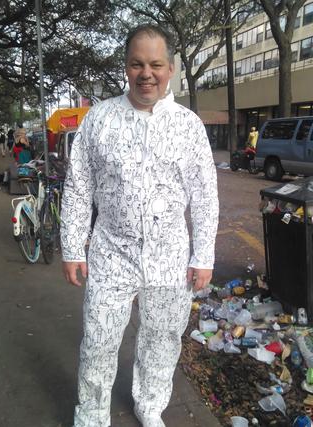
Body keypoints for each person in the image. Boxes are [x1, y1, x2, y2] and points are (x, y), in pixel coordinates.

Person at [61, 24, 219, 427]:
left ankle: (150, 405)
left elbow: (204, 196)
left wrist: (204, 256)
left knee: (162, 340)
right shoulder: (99, 120)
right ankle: (92, 415)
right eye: (137, 64)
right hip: (112, 252)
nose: (146, 73)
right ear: (126, 68)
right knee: (98, 340)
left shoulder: (188, 127)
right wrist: (72, 247)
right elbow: (79, 187)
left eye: (155, 64)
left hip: (169, 257)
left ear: (169, 69)